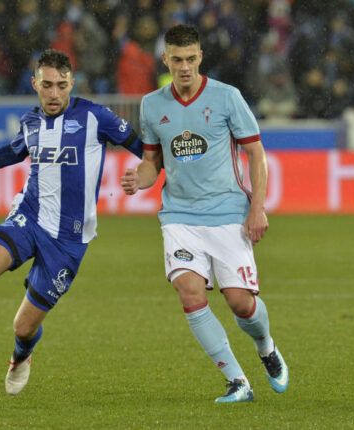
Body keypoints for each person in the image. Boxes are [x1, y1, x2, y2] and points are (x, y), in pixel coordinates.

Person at [0, 49, 142, 395]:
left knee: (24, 326)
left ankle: (20, 357)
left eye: (60, 85)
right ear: (35, 84)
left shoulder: (96, 116)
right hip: (30, 216)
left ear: (71, 82)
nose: (54, 93)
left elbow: (143, 147)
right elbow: (10, 153)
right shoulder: (31, 121)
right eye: (47, 85)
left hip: (69, 239)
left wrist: (146, 175)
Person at [120, 24, 288, 404]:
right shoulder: (151, 105)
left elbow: (256, 154)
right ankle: (237, 382)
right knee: (190, 293)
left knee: (240, 303)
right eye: (176, 59)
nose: (184, 67)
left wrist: (257, 208)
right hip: (179, 216)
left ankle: (265, 346)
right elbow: (151, 163)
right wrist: (139, 180)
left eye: (191, 59)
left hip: (228, 212)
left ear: (200, 57)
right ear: (165, 59)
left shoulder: (227, 98)